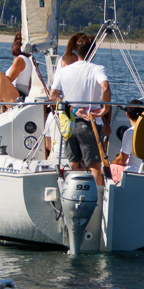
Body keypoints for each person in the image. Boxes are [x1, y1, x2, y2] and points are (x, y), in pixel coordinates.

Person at [49, 32, 111, 185]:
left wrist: (73, 109)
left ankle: (72, 192)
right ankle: (97, 195)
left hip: (69, 123)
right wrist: (105, 109)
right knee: (94, 166)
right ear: (93, 51)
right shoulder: (97, 69)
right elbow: (105, 87)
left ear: (77, 50)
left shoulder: (63, 71)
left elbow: (53, 97)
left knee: (73, 163)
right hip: (89, 123)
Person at [113, 99, 144, 182]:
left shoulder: (130, 132)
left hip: (136, 173)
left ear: (127, 115)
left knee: (105, 170)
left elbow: (121, 160)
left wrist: (111, 162)